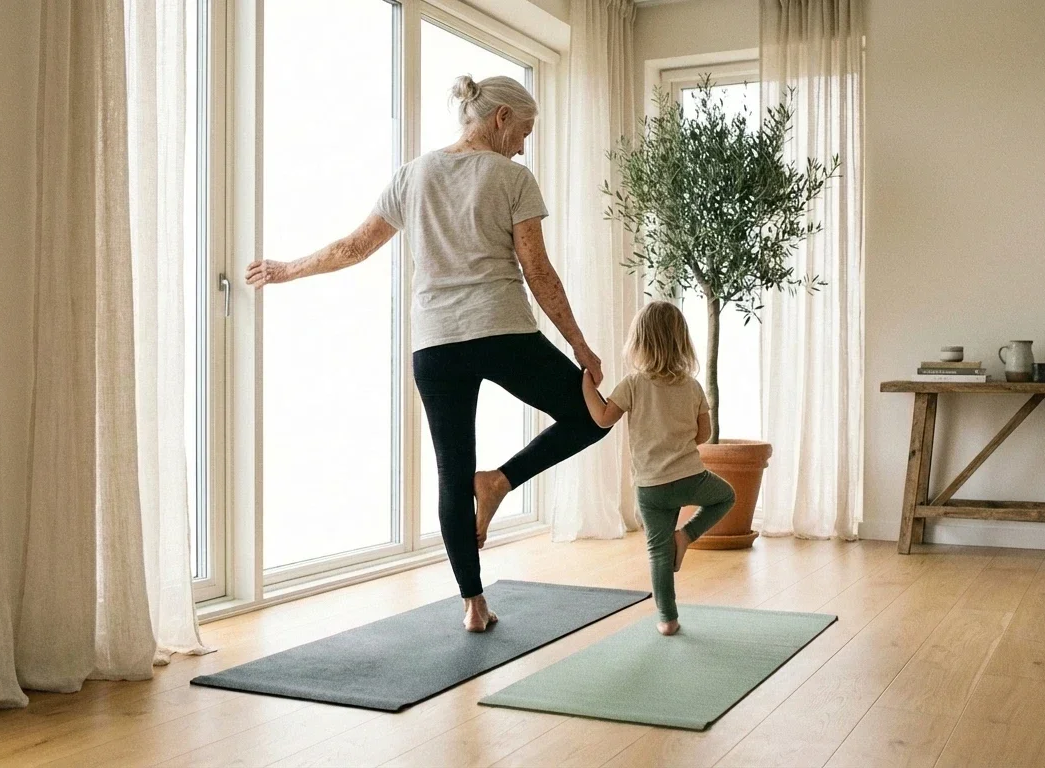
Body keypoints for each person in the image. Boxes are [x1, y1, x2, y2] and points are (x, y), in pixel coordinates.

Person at [246, 74, 610, 632]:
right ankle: (503, 481)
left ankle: (474, 604)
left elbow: (354, 247)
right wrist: (581, 346)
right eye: (525, 130)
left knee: (451, 471)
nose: (524, 144)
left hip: (436, 344)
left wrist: (285, 270)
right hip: (502, 331)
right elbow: (536, 269)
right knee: (593, 415)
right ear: (501, 118)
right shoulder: (512, 177)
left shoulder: (413, 175)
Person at [581, 301, 736, 636]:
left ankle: (668, 619)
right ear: (682, 342)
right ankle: (688, 535)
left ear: (639, 343)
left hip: (650, 488)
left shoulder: (632, 385)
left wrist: (587, 388)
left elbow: (603, 419)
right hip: (690, 479)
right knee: (725, 497)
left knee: (657, 550)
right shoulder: (692, 386)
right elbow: (704, 434)